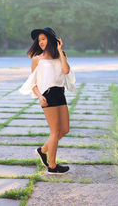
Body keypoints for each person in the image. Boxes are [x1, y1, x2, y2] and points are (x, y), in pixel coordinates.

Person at [19, 27, 76, 174]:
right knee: (55, 132)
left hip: (60, 93)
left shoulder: (61, 55)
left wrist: (60, 50)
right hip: (48, 95)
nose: (41, 42)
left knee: (65, 130)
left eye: (43, 39)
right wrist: (40, 96)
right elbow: (33, 82)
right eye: (39, 40)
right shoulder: (37, 59)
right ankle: (52, 166)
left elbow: (66, 70)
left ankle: (43, 150)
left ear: (51, 40)